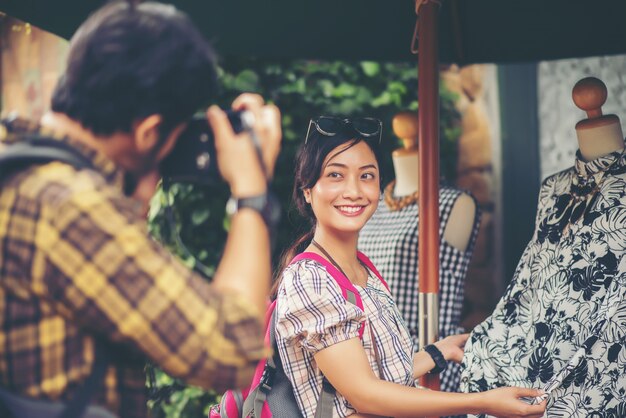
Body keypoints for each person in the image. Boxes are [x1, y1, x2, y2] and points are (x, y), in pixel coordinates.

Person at [0, 2, 281, 418]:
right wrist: (251, 194)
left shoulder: (20, 168)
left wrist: (133, 191)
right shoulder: (72, 206)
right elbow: (230, 352)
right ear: (149, 131)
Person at [273, 116, 547, 418]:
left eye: (366, 176)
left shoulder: (363, 269)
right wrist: (480, 401)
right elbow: (366, 395)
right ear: (307, 190)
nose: (353, 191)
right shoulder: (309, 278)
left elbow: (381, 375)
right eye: (336, 175)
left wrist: (435, 352)